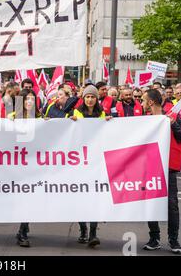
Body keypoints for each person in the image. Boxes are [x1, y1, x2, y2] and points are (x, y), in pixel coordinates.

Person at [141, 89, 181, 254]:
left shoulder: (172, 118)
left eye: (143, 100)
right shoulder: (143, 121)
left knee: (172, 206)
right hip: (149, 169)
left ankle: (173, 240)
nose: (141, 103)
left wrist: (173, 125)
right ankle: (154, 239)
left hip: (168, 169)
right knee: (150, 204)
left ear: (151, 102)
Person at [67, 85, 112, 248]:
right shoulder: (77, 113)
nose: (90, 99)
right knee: (81, 198)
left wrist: (108, 122)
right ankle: (83, 229)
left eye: (93, 96)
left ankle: (93, 233)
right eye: (87, 97)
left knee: (94, 198)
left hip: (97, 162)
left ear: (96, 99)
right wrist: (71, 123)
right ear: (83, 98)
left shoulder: (102, 114)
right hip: (80, 162)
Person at [8, 88, 41, 247]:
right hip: (17, 164)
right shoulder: (11, 118)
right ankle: (22, 230)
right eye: (26, 99)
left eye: (32, 98)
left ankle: (22, 229)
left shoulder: (41, 118)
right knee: (23, 199)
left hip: (35, 165)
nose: (29, 101)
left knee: (31, 198)